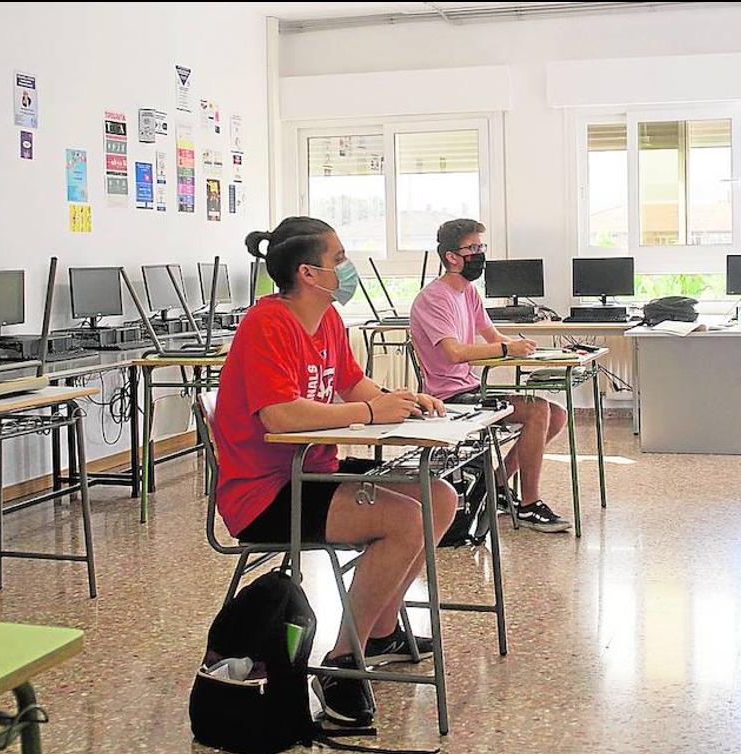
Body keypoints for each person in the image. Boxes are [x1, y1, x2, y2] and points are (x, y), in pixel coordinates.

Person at [213, 216, 456, 727]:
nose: (346, 269)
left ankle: (382, 630)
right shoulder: (266, 325)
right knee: (404, 521)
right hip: (265, 494)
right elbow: (280, 415)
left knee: (439, 497)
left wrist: (400, 400)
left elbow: (352, 384)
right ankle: (343, 662)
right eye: (338, 259)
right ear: (308, 273)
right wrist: (371, 414)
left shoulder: (327, 321)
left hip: (314, 470)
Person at [409, 218, 571, 533]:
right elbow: (454, 352)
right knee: (537, 410)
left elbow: (491, 334)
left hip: (470, 386)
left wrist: (528, 348)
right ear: (451, 257)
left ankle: (495, 486)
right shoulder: (434, 298)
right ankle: (528, 505)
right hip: (449, 397)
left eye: (481, 247)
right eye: (473, 248)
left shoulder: (467, 292)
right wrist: (508, 352)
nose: (480, 254)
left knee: (557, 413)